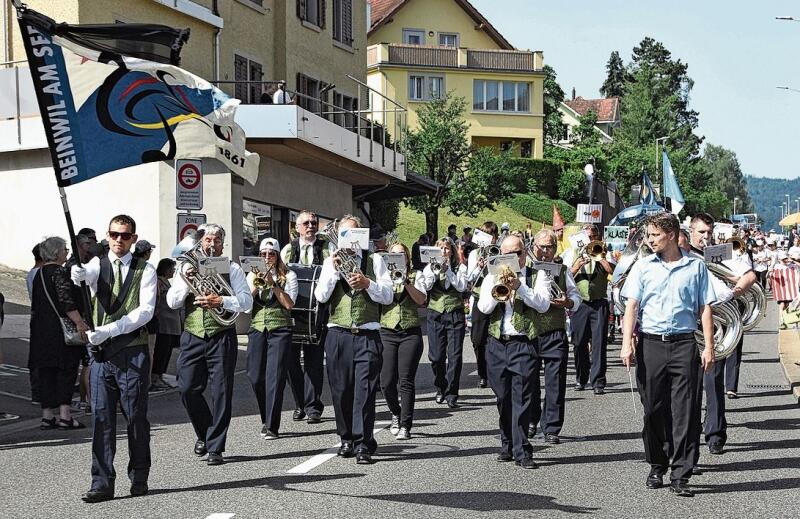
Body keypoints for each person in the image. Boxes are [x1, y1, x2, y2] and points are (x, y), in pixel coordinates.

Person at [620, 212, 716, 498]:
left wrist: (708, 346)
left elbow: (705, 308)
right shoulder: (643, 266)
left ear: (672, 234)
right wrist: (627, 342)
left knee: (685, 410)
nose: (649, 240)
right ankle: (657, 463)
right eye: (648, 236)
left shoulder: (696, 268)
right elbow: (631, 307)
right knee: (653, 409)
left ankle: (681, 473)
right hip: (651, 344)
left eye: (654, 235)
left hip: (685, 343)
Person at [70, 215, 157, 502]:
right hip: (101, 356)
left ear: (133, 238)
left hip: (132, 351)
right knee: (102, 420)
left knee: (135, 417)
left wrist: (109, 329)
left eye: (125, 235)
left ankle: (140, 474)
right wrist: (77, 274)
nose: (119, 240)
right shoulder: (98, 264)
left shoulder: (146, 270)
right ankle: (102, 482)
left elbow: (144, 312)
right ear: (107, 236)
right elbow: (87, 276)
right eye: (114, 234)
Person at [167, 223, 253, 466]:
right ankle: (205, 432)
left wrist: (221, 300)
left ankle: (216, 447)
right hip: (193, 335)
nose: (212, 245)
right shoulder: (185, 268)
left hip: (222, 334)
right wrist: (186, 281)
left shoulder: (232, 267)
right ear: (200, 243)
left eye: (217, 241)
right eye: (208, 241)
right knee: (186, 387)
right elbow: (172, 302)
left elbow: (246, 302)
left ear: (222, 244)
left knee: (221, 392)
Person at [314, 215, 392, 464]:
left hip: (367, 334)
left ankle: (362, 443)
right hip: (338, 334)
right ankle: (346, 437)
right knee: (341, 390)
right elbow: (321, 296)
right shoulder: (331, 261)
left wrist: (368, 283)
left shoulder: (375, 260)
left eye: (354, 233)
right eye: (344, 234)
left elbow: (388, 296)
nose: (349, 239)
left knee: (365, 392)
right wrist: (334, 272)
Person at [477, 234, 551, 468]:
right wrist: (499, 289)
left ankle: (523, 450)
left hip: (523, 343)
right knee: (503, 397)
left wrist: (520, 287)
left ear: (524, 253)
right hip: (497, 343)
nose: (512, 258)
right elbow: (483, 308)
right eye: (507, 254)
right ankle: (507, 442)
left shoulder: (537, 274)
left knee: (522, 397)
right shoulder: (491, 275)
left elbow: (543, 304)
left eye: (517, 253)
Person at [688, 213, 757, 464]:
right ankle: (689, 438)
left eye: (709, 232)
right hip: (690, 324)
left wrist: (735, 290)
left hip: (718, 323)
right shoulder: (683, 255)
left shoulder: (724, 253)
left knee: (713, 380)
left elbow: (750, 276)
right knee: (689, 386)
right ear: (691, 231)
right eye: (701, 232)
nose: (705, 237)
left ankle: (715, 434)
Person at [527, 230, 582, 443]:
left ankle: (551, 428)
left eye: (549, 247)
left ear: (554, 248)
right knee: (528, 381)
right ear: (533, 246)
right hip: (529, 333)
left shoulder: (562, 270)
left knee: (555, 382)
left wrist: (568, 302)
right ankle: (531, 420)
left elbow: (576, 296)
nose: (544, 251)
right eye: (541, 246)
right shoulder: (525, 270)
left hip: (555, 332)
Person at [31, 237, 88, 431]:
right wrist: (79, 322)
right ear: (56, 253)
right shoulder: (59, 273)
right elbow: (66, 301)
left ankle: (47, 416)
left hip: (41, 331)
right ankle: (65, 415)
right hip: (60, 332)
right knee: (66, 371)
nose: (67, 252)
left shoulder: (38, 274)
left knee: (46, 372)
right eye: (64, 249)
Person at [280, 210, 329, 424]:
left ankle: (313, 406)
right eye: (306, 223)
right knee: (290, 361)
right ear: (297, 227)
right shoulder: (288, 249)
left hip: (317, 310)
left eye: (314, 223)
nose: (310, 226)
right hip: (291, 309)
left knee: (314, 361)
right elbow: (278, 272)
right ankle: (300, 402)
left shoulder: (327, 248)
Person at [246, 238, 298, 440]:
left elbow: (289, 304)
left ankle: (272, 425)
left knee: (275, 377)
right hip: (257, 327)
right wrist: (255, 285)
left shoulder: (289, 275)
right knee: (255, 375)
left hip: (280, 328)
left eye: (271, 254)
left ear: (277, 256)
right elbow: (245, 305)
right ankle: (265, 417)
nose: (267, 257)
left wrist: (273, 284)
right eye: (263, 254)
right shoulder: (252, 274)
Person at [379, 242, 427, 440]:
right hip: (387, 330)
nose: (397, 257)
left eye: (401, 255)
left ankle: (406, 425)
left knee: (406, 380)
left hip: (410, 331)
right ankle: (396, 413)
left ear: (407, 258)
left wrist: (406, 282)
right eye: (393, 255)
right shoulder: (382, 275)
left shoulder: (417, 275)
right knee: (386, 382)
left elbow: (421, 300)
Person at [562, 224, 615, 394]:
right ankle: (581, 377)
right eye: (587, 237)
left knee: (599, 344)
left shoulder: (604, 251)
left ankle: (598, 381)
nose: (590, 241)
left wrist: (600, 257)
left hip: (599, 303)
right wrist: (577, 265)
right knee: (579, 343)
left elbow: (612, 272)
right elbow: (564, 277)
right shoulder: (572, 253)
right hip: (580, 303)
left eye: (593, 237)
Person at [422, 237, 469, 408]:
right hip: (435, 313)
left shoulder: (460, 267)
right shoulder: (429, 267)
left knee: (455, 356)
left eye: (447, 248)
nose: (444, 252)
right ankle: (441, 386)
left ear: (452, 251)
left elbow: (462, 287)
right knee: (436, 357)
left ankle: (452, 393)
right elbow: (426, 287)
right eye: (440, 248)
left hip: (455, 313)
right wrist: (435, 272)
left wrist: (448, 271)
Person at [466, 221, 499, 389]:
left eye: (492, 235)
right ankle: (482, 372)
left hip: (497, 298)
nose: (490, 238)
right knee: (478, 339)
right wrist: (478, 267)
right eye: (486, 235)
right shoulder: (474, 254)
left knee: (495, 336)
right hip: (479, 297)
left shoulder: (500, 252)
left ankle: (495, 372)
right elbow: (469, 278)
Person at [152, 258, 181, 390]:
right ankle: (155, 377)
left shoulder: (167, 282)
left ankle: (160, 376)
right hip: (163, 323)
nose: (173, 271)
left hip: (170, 323)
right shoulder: (158, 281)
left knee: (167, 351)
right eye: (172, 268)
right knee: (161, 351)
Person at [25, 243, 43, 405]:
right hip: (42, 318)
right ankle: (39, 392)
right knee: (40, 356)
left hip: (36, 317)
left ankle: (38, 392)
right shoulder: (39, 273)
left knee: (37, 355)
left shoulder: (32, 273)